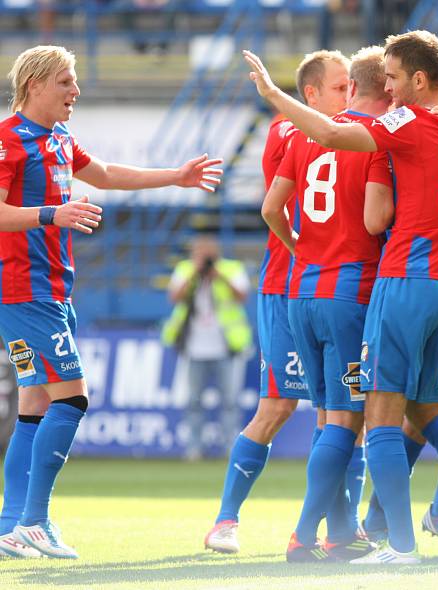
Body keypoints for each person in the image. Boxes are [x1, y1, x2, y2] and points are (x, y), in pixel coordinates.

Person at [243, 29, 438, 565]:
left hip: (400, 282)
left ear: (418, 79)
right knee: (427, 409)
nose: (390, 89)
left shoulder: (401, 124)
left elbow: (330, 135)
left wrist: (274, 96)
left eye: (396, 78)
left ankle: (398, 544)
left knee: (378, 413)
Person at [0, 45, 222, 559]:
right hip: (26, 291)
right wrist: (52, 214)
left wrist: (176, 177)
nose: (75, 90)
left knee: (35, 404)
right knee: (73, 399)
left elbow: (103, 173)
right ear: (34, 84)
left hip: (51, 290)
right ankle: (34, 520)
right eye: (65, 81)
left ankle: (13, 524)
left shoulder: (56, 137)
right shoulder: (9, 141)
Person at [202, 49, 350, 555]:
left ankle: (326, 531)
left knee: (340, 413)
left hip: (330, 286)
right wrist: (298, 248)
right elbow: (275, 206)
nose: (348, 95)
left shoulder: (348, 130)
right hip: (288, 286)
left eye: (353, 85)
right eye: (339, 87)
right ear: (309, 95)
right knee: (278, 406)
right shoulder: (290, 130)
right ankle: (226, 519)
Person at [263, 45, 395, 562]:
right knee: (347, 421)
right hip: (349, 295)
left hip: (303, 292)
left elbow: (271, 208)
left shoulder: (304, 134)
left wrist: (303, 248)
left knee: (328, 418)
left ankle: (342, 534)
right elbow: (372, 223)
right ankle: (303, 535)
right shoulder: (376, 142)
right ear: (385, 87)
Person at [162, 235, 251, 460]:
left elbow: (242, 296)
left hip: (226, 346)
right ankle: (194, 448)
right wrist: (195, 273)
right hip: (194, 346)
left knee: (230, 400)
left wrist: (218, 275)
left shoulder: (231, 269)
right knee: (193, 400)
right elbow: (174, 297)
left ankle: (231, 446)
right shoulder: (185, 269)